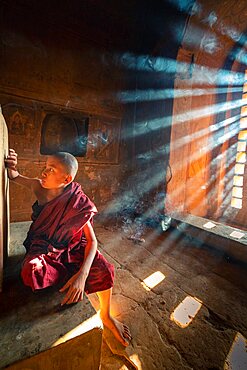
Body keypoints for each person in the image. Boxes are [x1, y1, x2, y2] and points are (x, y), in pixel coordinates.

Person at [5, 148, 131, 347]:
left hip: (71, 248)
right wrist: (11, 164)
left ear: (67, 179)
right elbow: (14, 176)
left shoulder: (77, 201)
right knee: (31, 272)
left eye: (51, 170)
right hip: (44, 247)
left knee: (104, 269)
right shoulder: (39, 187)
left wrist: (82, 275)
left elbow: (92, 241)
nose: (44, 173)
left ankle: (106, 315)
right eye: (45, 167)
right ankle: (67, 279)